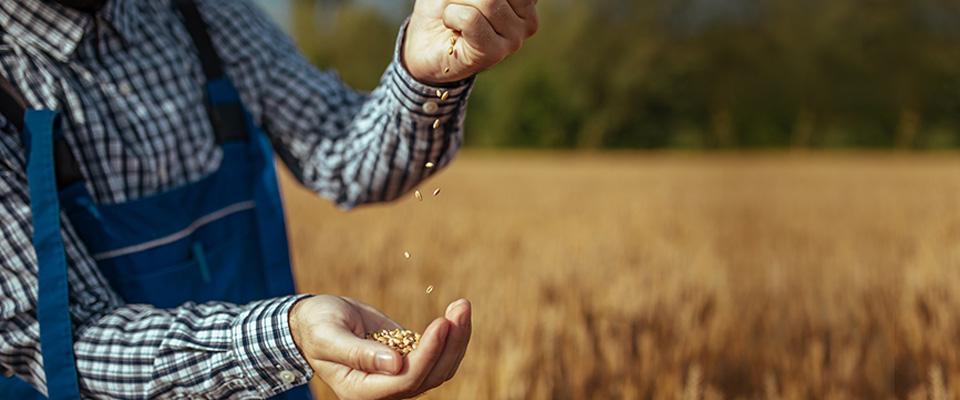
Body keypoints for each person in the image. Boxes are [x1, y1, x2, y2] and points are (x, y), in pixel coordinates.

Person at [0, 0, 538, 398]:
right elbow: (64, 343)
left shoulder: (199, 13)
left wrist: (423, 76)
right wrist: (285, 335)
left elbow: (344, 153)